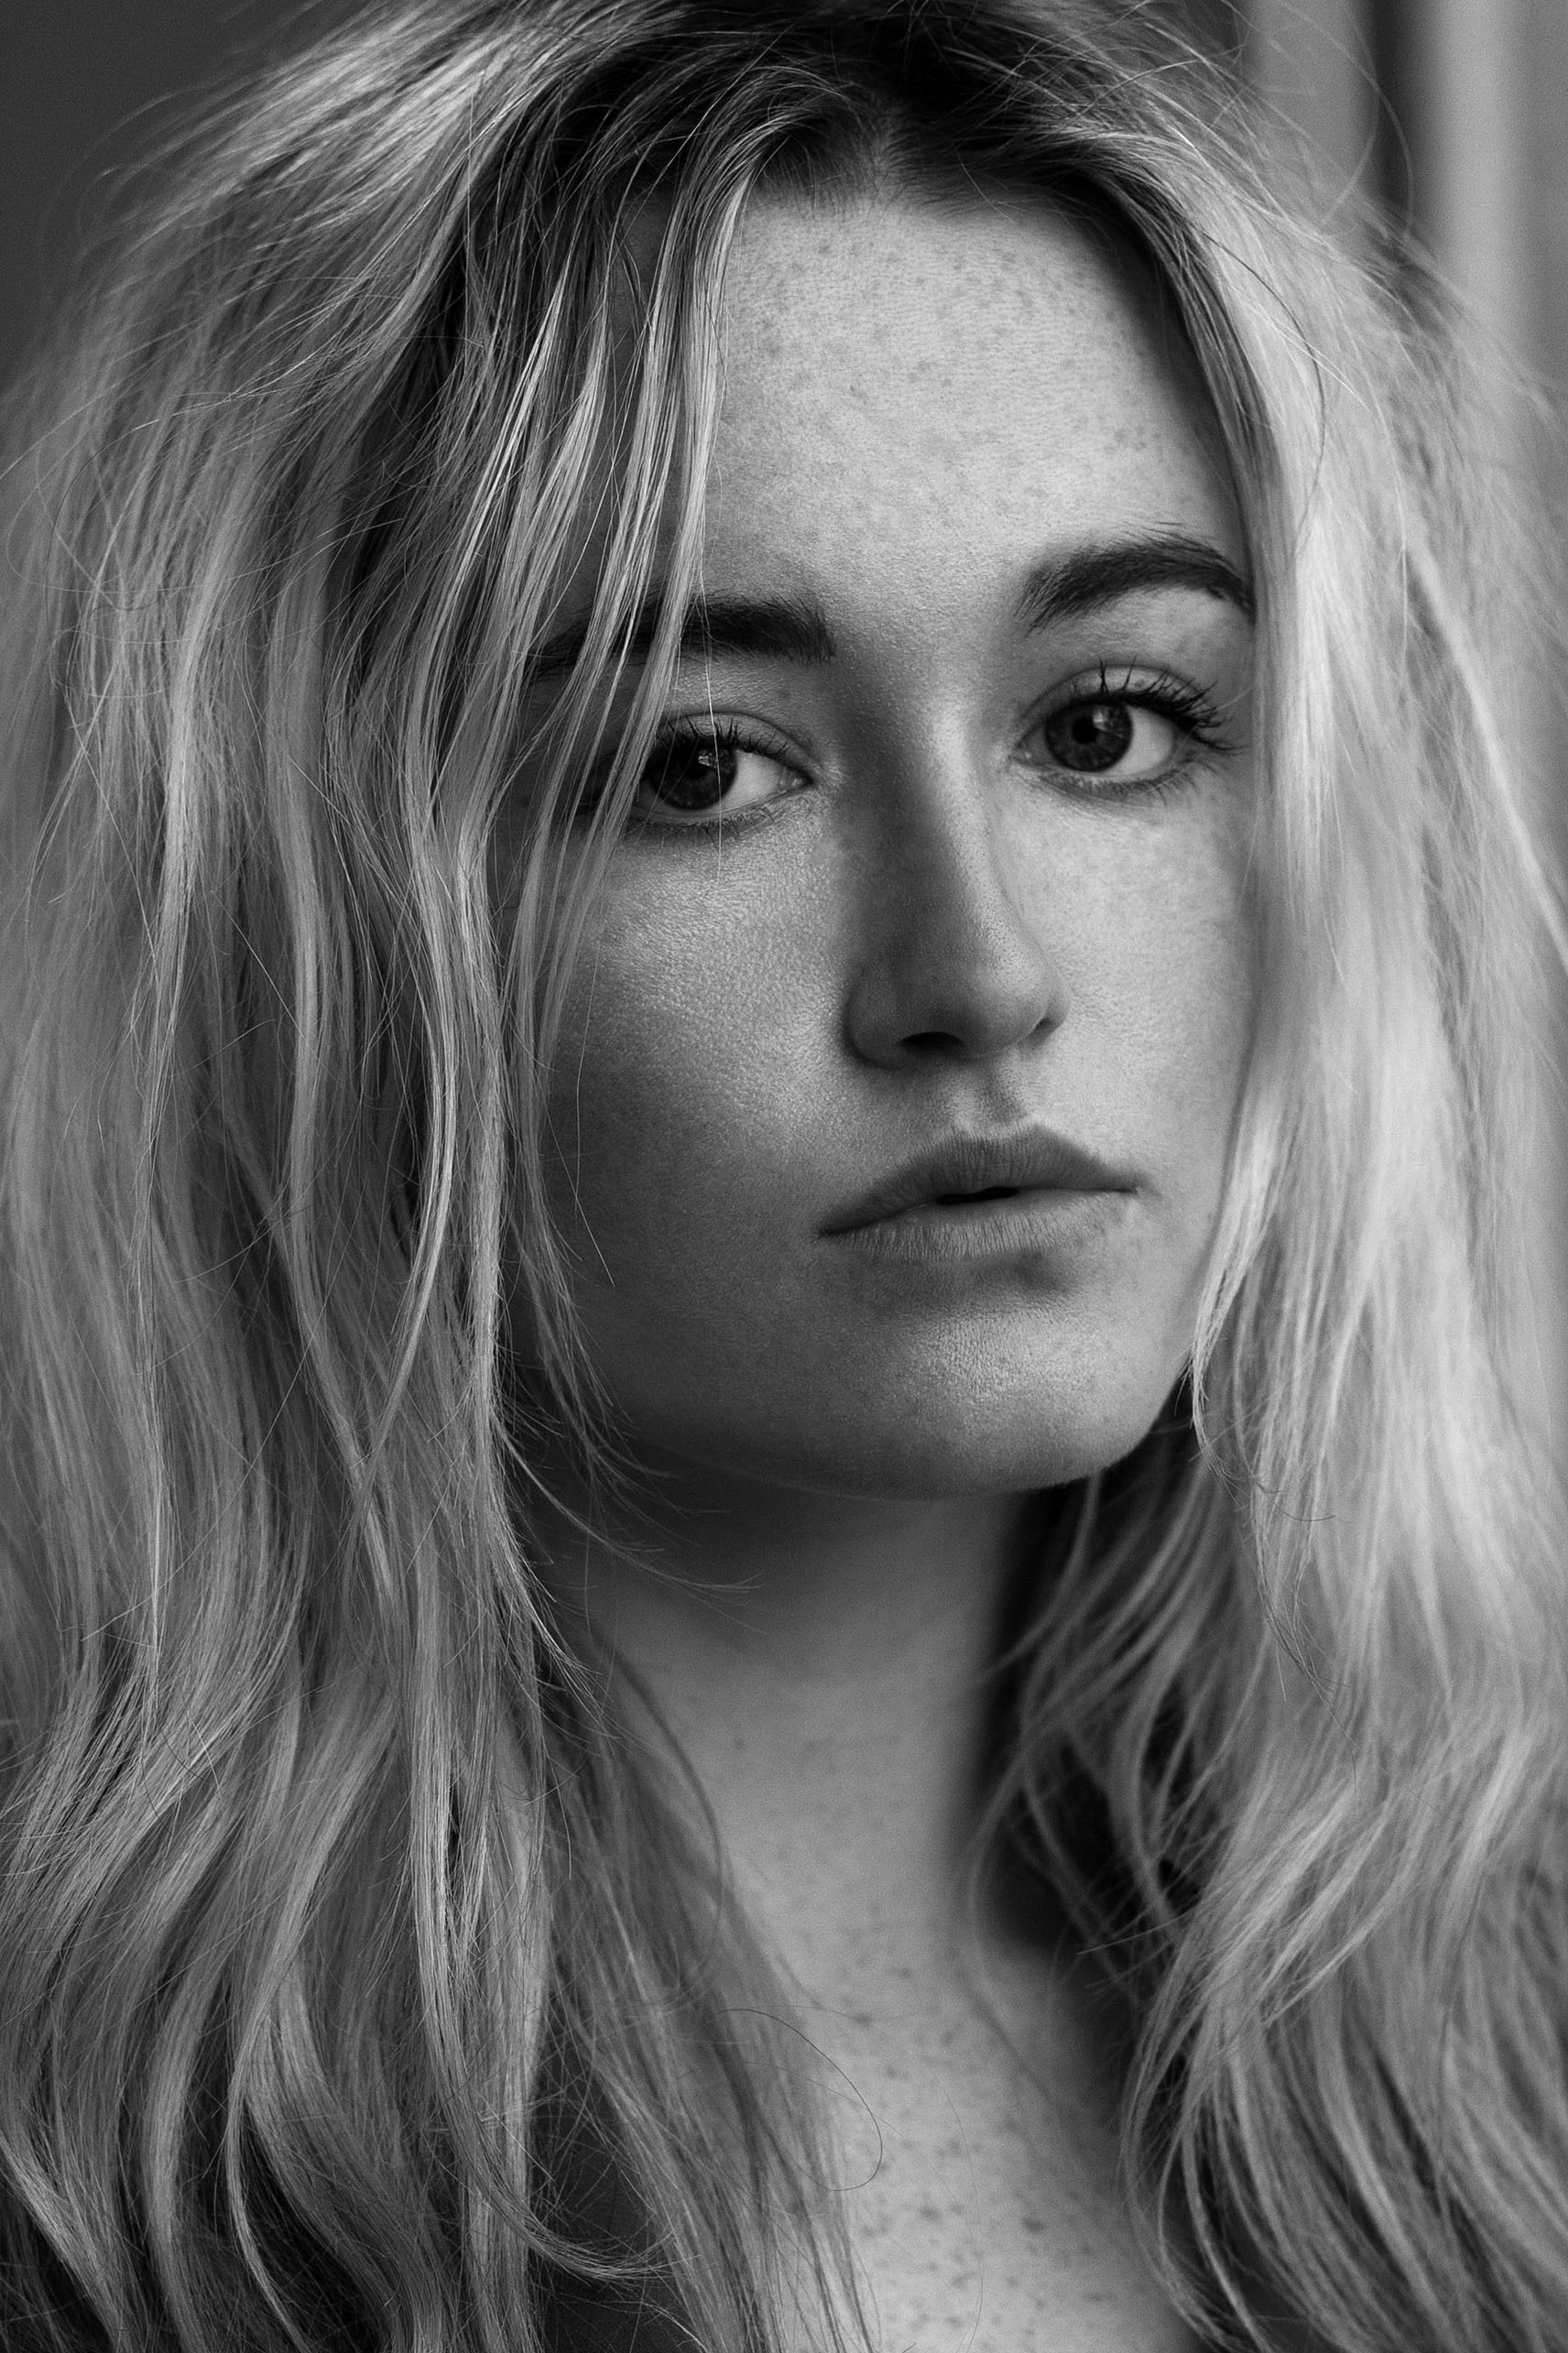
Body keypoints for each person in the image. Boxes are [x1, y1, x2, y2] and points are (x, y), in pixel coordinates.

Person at [0, 0, 1563, 2345]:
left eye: (1109, 725)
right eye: (699, 768)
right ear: (290, 941)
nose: (978, 974)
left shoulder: (1506, 2050)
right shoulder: (78, 2180)